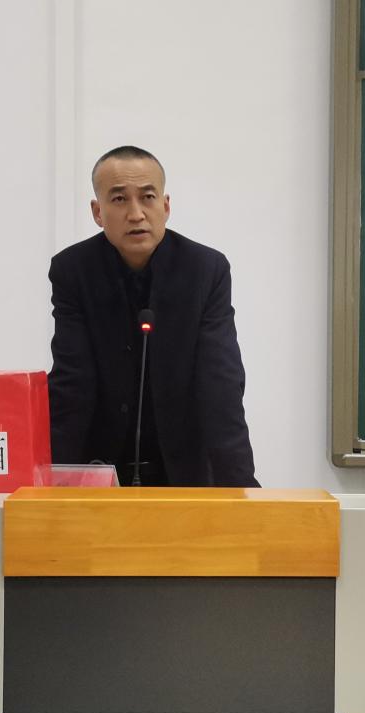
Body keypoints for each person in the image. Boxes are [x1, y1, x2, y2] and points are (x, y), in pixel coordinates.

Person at [47, 146, 257, 487]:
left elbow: (220, 385)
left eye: (147, 197)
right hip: (99, 472)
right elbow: (72, 382)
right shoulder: (73, 271)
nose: (136, 214)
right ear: (98, 212)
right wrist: (50, 480)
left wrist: (241, 487)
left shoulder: (205, 270)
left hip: (184, 473)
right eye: (119, 199)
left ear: (166, 206)